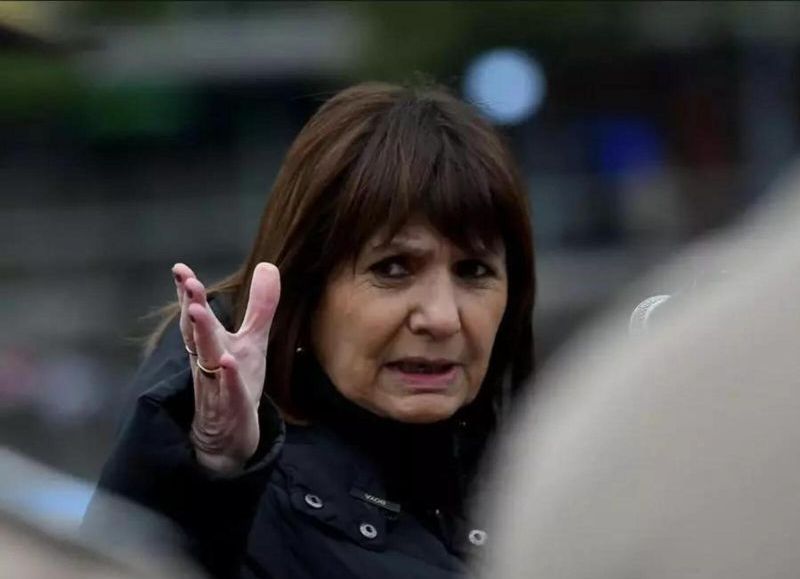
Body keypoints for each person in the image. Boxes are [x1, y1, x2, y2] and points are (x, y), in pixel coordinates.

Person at [84, 81, 536, 579]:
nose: (442, 317)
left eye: (474, 271)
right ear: (306, 288)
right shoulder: (238, 504)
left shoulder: (545, 482)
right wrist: (210, 475)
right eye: (393, 269)